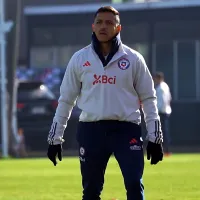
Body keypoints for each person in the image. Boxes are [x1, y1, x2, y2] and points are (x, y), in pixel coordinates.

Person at [47, 6, 163, 200]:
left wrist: (155, 137)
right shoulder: (79, 59)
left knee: (134, 184)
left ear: (119, 28)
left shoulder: (134, 59)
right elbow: (66, 100)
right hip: (91, 131)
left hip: (126, 130)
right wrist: (55, 138)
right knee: (91, 191)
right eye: (99, 22)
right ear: (93, 27)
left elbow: (149, 98)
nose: (103, 26)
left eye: (109, 23)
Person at [153, 72, 172, 156]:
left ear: (159, 78)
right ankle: (165, 150)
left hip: (161, 112)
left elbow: (163, 101)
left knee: (161, 132)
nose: (155, 80)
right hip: (164, 111)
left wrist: (157, 111)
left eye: (155, 78)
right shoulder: (165, 86)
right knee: (162, 131)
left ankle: (165, 150)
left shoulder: (161, 87)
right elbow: (169, 98)